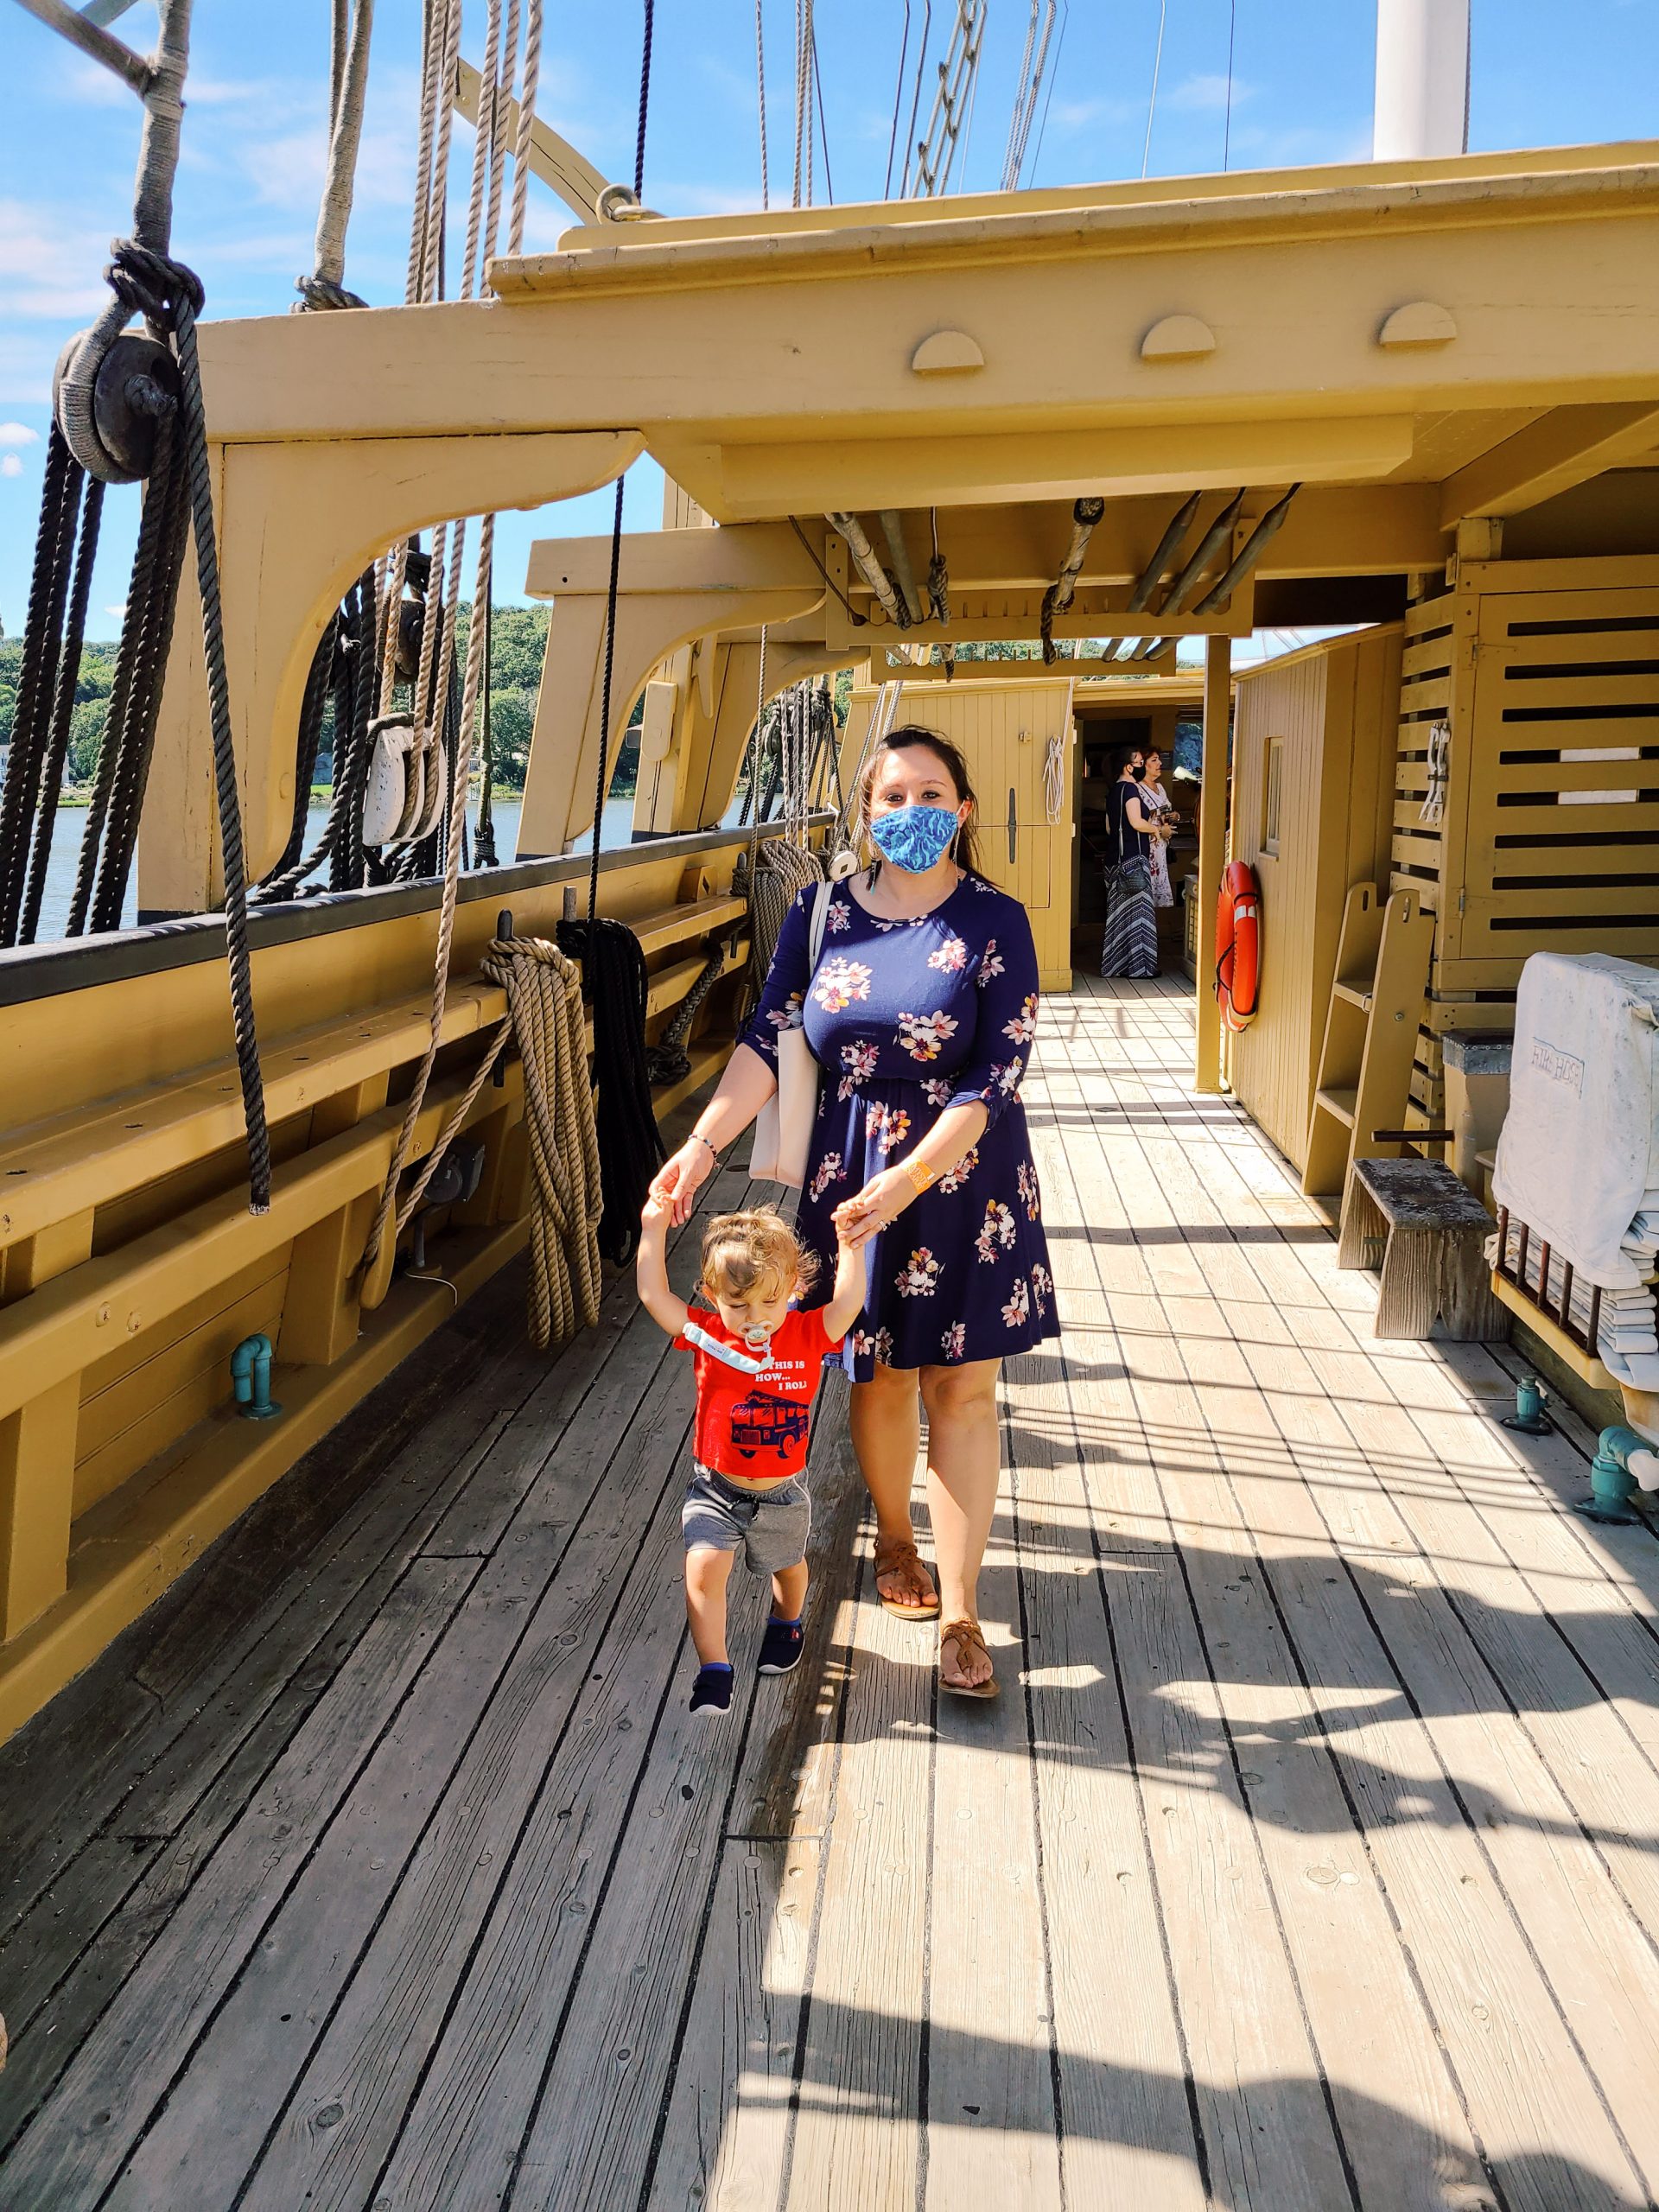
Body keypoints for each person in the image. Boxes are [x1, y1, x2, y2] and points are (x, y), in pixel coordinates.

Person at [647, 728, 1059, 1698]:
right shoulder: (820, 913)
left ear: (961, 809)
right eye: (892, 796)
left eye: (932, 793)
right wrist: (701, 1147)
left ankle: (961, 1608)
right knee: (876, 1376)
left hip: (962, 1174)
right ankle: (899, 1539)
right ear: (865, 814)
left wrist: (913, 1177)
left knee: (960, 1388)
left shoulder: (997, 920)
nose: (911, 811)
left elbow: (998, 1068)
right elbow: (765, 1034)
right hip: (849, 1179)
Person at [637, 1202, 864, 1715]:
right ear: (713, 1296)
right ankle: (714, 1667)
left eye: (769, 1302)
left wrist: (851, 1247)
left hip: (781, 1493)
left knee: (787, 1566)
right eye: (738, 1306)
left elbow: (847, 1304)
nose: (754, 1318)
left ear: (793, 1293)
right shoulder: (708, 1335)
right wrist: (652, 1225)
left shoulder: (806, 1333)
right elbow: (654, 1295)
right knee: (703, 1567)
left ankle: (787, 1620)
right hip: (715, 1487)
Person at [1100, 749, 1162, 978]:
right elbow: (1136, 822)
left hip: (1113, 862)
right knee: (1140, 917)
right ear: (1128, 767)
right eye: (1139, 762)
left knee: (1118, 917)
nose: (1141, 765)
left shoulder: (1113, 792)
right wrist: (1154, 829)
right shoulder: (1131, 790)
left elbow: (1109, 828)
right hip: (1134, 860)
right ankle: (1141, 969)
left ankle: (1115, 967)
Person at [1139, 746, 1178, 909]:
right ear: (1143, 765)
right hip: (1148, 845)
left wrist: (1171, 816)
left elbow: (1164, 811)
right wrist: (1158, 829)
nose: (1159, 763)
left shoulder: (1160, 788)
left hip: (1162, 845)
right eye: (1154, 760)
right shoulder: (1137, 789)